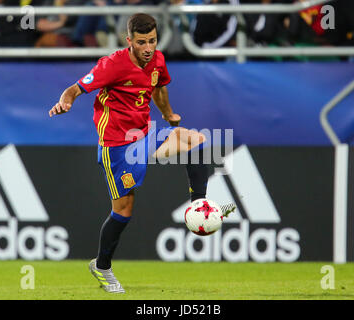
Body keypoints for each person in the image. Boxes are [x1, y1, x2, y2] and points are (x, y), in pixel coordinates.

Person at [48, 13, 235, 293]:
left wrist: (168, 113)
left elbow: (158, 88)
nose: (148, 48)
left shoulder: (157, 59)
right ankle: (102, 266)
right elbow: (75, 89)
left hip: (143, 134)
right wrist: (65, 102)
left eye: (152, 41)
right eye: (142, 42)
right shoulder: (113, 65)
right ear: (129, 41)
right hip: (117, 146)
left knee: (195, 141)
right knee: (124, 210)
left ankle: (199, 207)